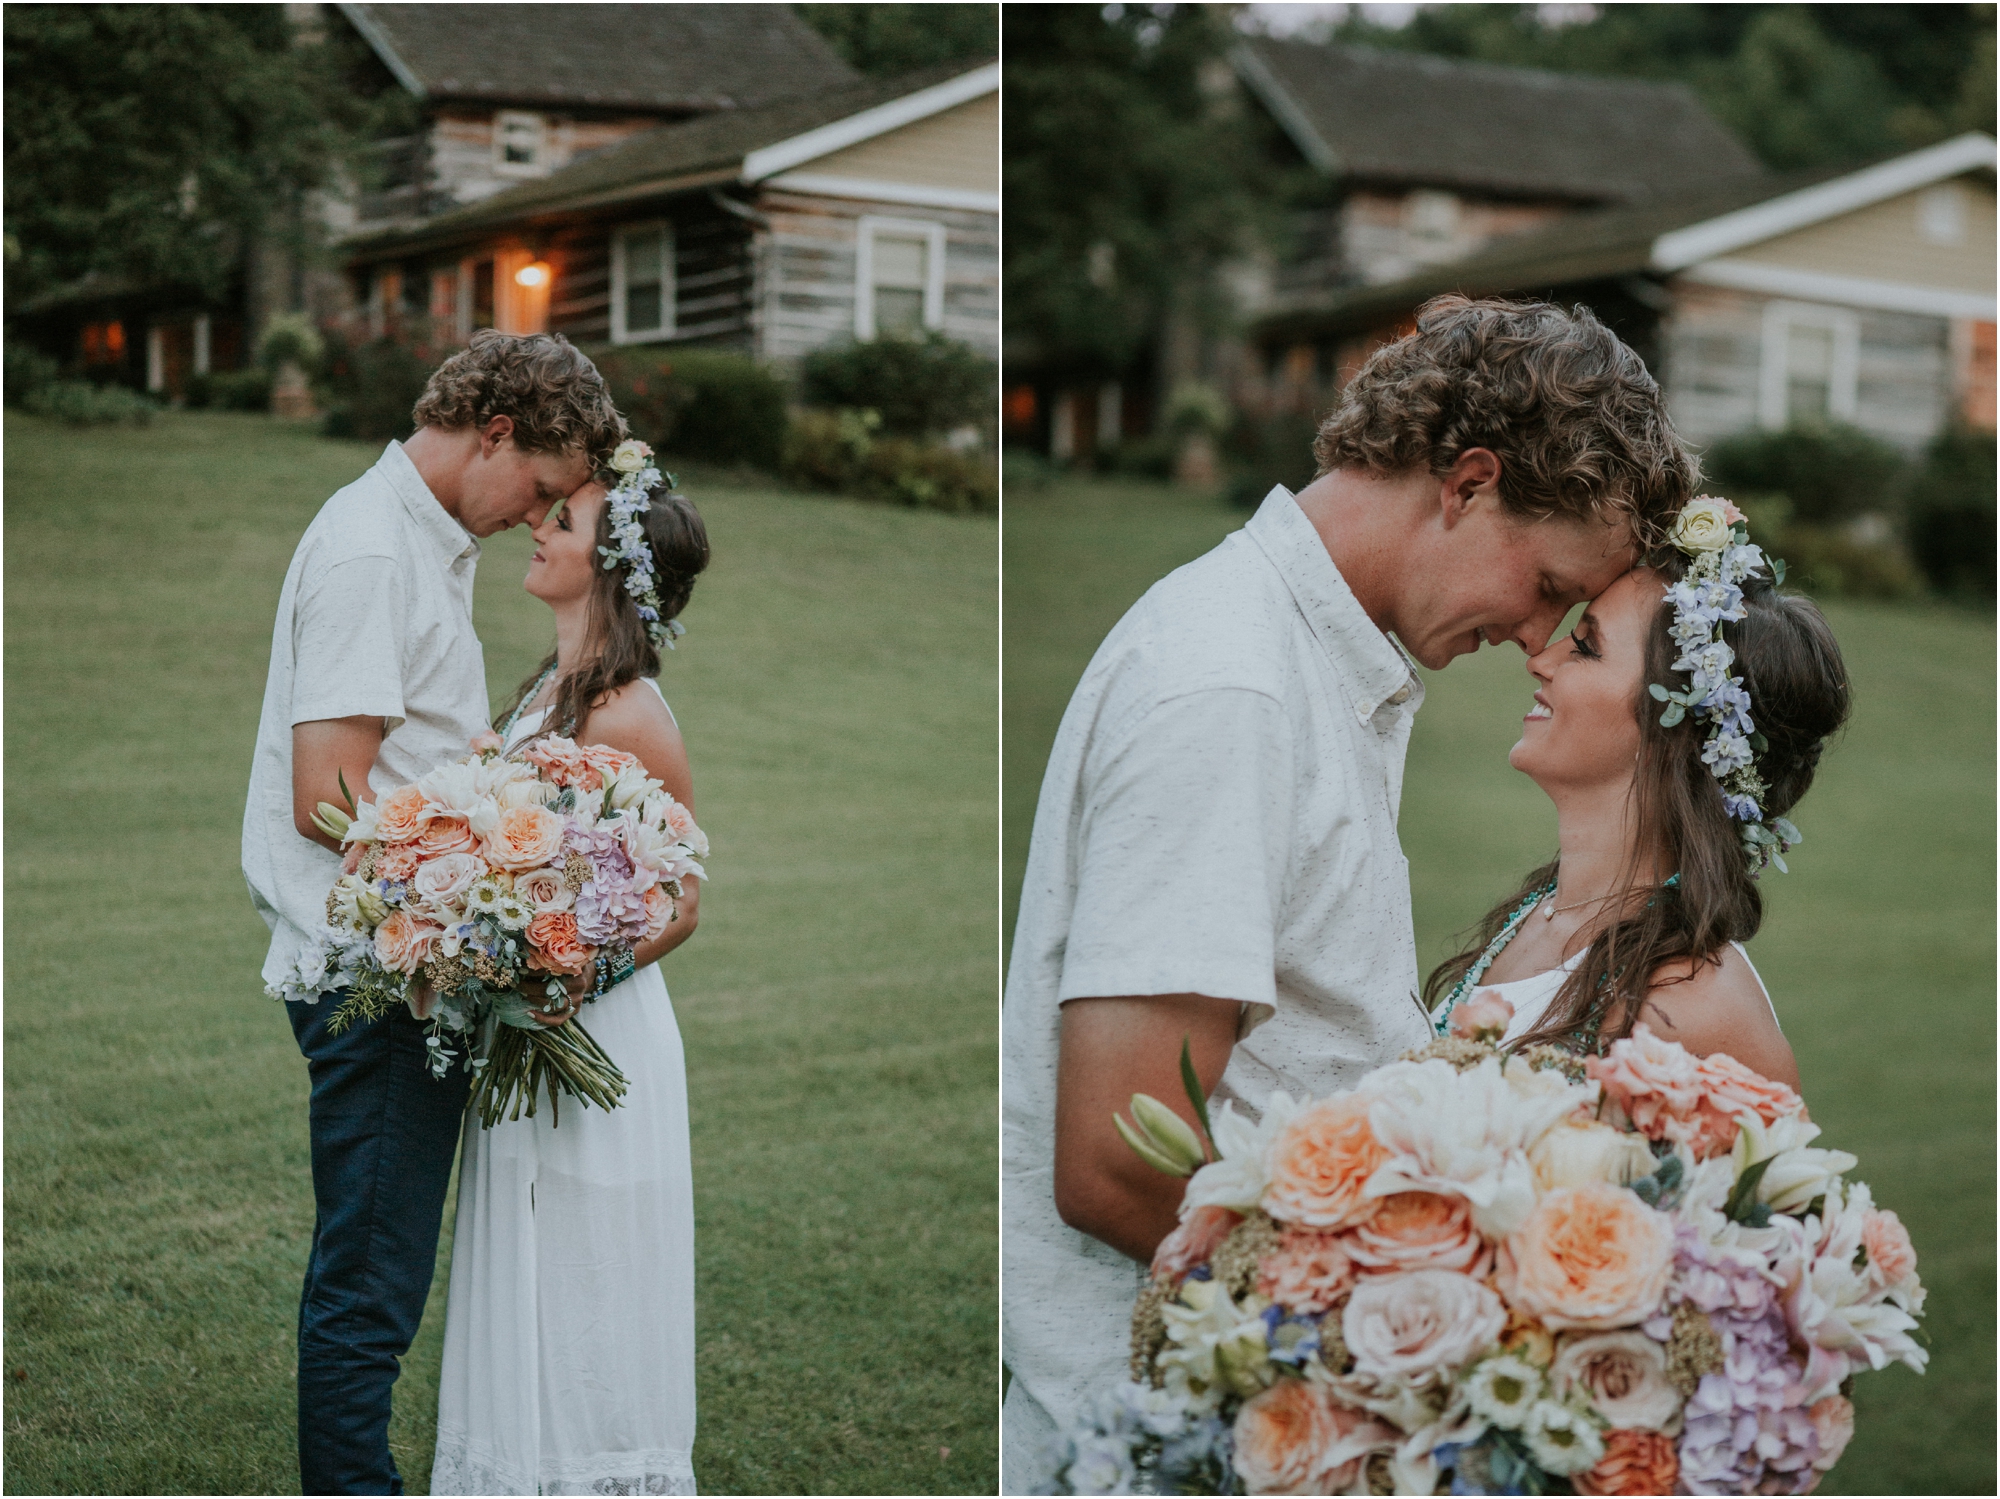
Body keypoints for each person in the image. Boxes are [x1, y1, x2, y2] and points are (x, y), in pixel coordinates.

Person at [999, 295, 1699, 1487]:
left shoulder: (1315, 668)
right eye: (1544, 581)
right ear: (1467, 482)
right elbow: (1115, 1160)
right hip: (1165, 1432)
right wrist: (1434, 1348)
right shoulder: (1233, 690)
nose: (1538, 636)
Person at [242, 329, 623, 1495]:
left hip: (412, 962)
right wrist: (488, 898)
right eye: (543, 490)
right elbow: (328, 796)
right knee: (368, 1284)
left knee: (381, 1272)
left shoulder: (423, 541)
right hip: (380, 975)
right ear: (496, 432)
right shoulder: (371, 551)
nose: (535, 516)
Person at [429, 443, 710, 1497]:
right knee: (527, 1269)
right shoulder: (546, 689)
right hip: (527, 1031)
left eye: (565, 518)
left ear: (609, 564)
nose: (539, 525)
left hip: (597, 1032)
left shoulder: (627, 710)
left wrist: (565, 977)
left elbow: (680, 899)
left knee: (589, 1275)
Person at [1427, 502, 1850, 1084]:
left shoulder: (1700, 1015)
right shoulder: (1541, 917)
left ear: (1673, 732)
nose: (1541, 660)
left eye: (1585, 646)